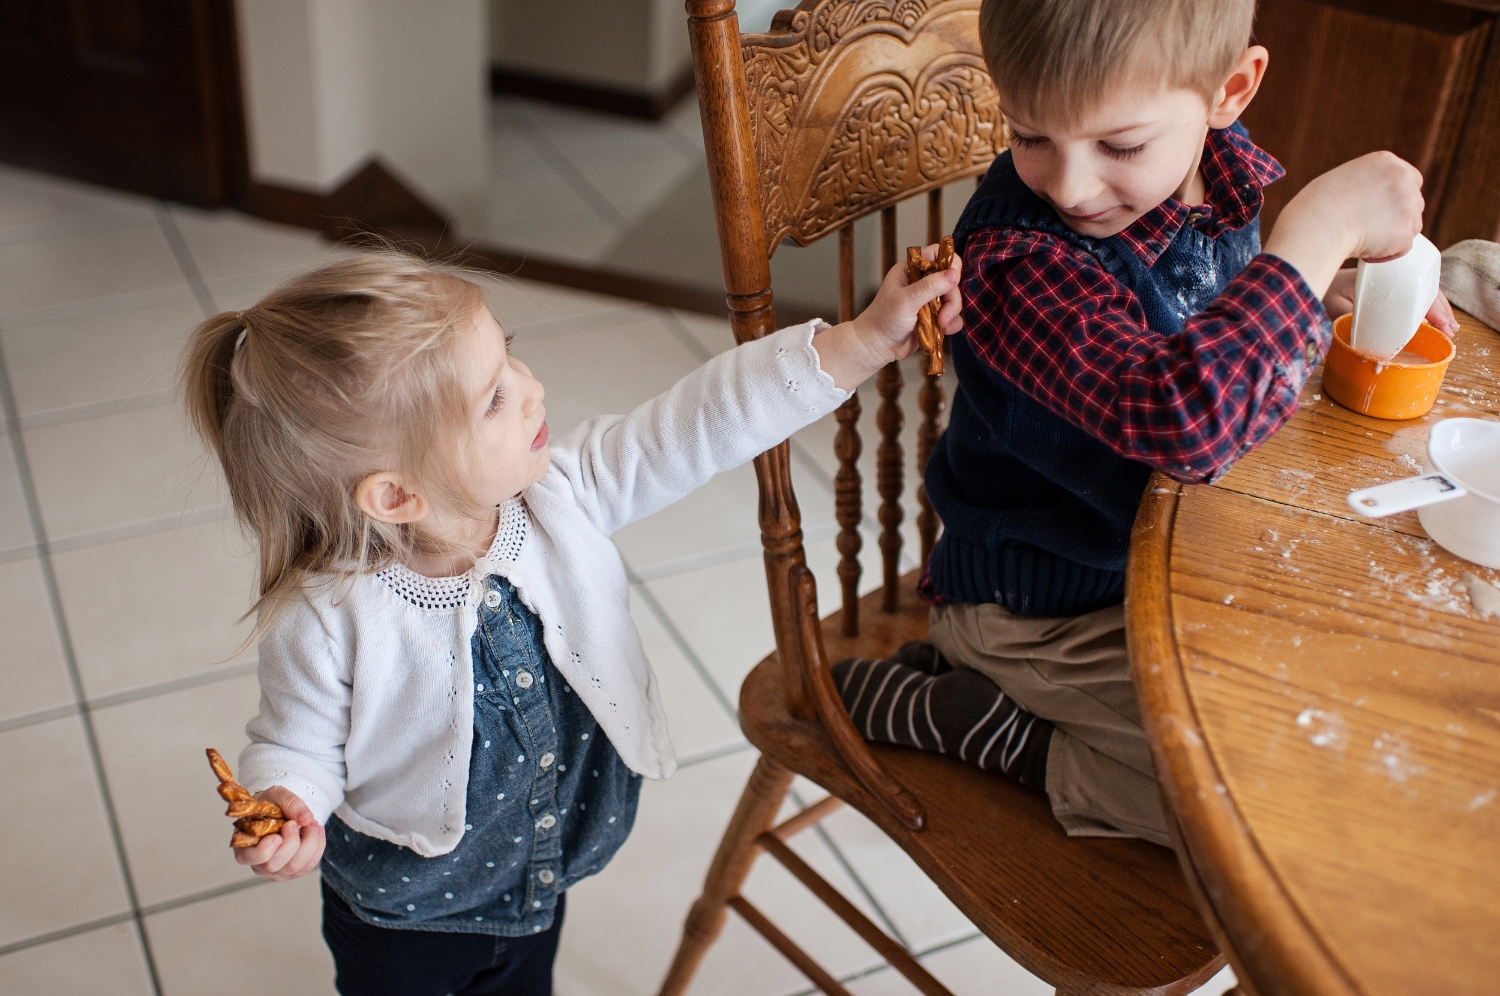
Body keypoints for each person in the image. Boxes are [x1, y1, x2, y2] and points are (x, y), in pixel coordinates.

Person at [182, 248, 961, 995]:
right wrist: (289, 803)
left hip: (537, 868)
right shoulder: (328, 615)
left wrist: (859, 343)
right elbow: (297, 742)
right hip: (403, 912)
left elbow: (699, 422)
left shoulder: (564, 493)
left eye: (510, 357)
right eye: (493, 398)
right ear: (395, 497)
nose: (531, 387)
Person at [832, 0, 1454, 847]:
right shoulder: (1019, 264)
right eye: (1028, 135)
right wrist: (1319, 230)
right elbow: (1183, 422)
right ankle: (996, 730)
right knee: (1253, 819)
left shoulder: (1214, 172)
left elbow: (1206, 325)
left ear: (1229, 92)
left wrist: (1305, 296)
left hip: (1174, 567)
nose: (1069, 185)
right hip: (1039, 611)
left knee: (1353, 709)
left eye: (1119, 146)